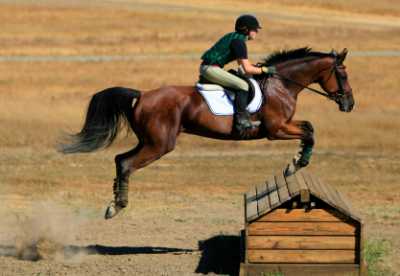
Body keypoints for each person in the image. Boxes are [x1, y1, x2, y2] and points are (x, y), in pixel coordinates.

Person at [200, 14, 276, 133]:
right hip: (211, 68)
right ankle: (241, 120)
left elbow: (243, 66)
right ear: (246, 30)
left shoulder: (235, 38)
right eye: (254, 29)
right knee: (243, 85)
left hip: (210, 68)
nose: (256, 31)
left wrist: (255, 68)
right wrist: (264, 70)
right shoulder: (239, 42)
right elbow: (247, 69)